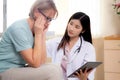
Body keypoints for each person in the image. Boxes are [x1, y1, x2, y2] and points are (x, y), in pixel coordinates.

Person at [0, 0, 62, 80]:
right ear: (36, 12)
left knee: (56, 67)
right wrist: (39, 34)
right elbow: (35, 64)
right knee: (53, 71)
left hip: (20, 68)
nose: (48, 23)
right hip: (5, 71)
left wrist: (42, 34)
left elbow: (42, 61)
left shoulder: (36, 30)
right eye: (47, 18)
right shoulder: (19, 29)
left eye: (50, 20)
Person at [46, 12, 96, 80]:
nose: (71, 29)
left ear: (83, 30)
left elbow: (89, 75)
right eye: (71, 24)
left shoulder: (88, 48)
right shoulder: (56, 42)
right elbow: (40, 48)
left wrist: (84, 78)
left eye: (77, 27)